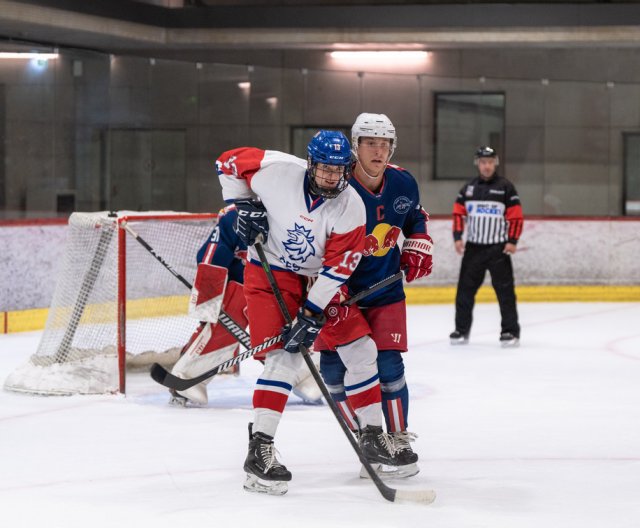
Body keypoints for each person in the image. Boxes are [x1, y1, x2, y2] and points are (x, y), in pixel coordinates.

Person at [217, 130, 405, 496]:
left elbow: (337, 269)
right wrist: (241, 203)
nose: (332, 178)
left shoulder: (351, 206)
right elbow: (225, 163)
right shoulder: (275, 171)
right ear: (310, 164)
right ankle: (259, 450)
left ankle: (371, 436)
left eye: (339, 170)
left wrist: (311, 312)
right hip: (270, 271)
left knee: (362, 350)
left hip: (318, 278)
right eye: (324, 170)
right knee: (283, 359)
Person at [314, 113, 434, 479]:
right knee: (333, 373)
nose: (378, 151)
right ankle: (367, 440)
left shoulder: (402, 181)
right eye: (370, 143)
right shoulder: (336, 186)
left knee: (389, 366)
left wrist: (419, 241)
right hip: (338, 293)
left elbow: (415, 216)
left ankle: (397, 438)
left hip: (385, 291)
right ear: (356, 146)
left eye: (384, 144)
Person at [168, 204, 323, 407]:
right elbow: (212, 259)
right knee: (223, 328)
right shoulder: (235, 215)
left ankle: (304, 376)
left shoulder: (295, 213)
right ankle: (187, 378)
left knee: (283, 337)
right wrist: (208, 306)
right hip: (240, 292)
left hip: (279, 292)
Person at [449, 146, 524, 347]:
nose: (487, 166)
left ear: (495, 163)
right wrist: (457, 237)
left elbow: (516, 215)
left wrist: (512, 240)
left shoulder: (506, 187)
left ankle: (510, 331)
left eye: (490, 162)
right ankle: (461, 330)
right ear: (478, 164)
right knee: (464, 290)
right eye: (483, 162)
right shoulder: (468, 188)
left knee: (505, 292)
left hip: (498, 249)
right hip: (474, 248)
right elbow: (458, 213)